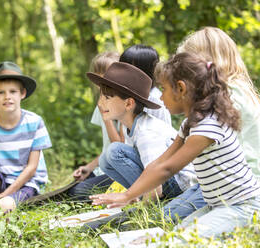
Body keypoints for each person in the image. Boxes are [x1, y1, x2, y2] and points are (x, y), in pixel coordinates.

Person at [91, 52, 260, 239]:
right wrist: (130, 195)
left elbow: (167, 168)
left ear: (181, 89)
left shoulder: (207, 127)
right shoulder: (189, 124)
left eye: (163, 89)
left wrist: (127, 195)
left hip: (243, 206)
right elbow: (159, 163)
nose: (161, 98)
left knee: (182, 239)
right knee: (172, 232)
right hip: (216, 203)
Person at [163, 26, 260, 223]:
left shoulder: (230, 95)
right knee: (168, 214)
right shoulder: (234, 88)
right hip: (221, 181)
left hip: (240, 185)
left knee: (169, 216)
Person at [88, 61, 195, 203]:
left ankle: (154, 202)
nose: (100, 104)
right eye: (101, 97)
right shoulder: (130, 126)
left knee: (115, 151)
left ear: (129, 104)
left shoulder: (146, 133)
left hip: (180, 185)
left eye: (107, 98)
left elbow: (157, 184)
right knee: (104, 160)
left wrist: (142, 210)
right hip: (164, 180)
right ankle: (140, 197)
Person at [0, 61, 52, 212]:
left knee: (2, 206)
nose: (7, 97)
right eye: (1, 92)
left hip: (28, 183)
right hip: (2, 179)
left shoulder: (35, 122)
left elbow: (31, 168)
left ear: (22, 93)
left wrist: (4, 195)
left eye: (13, 91)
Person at [68, 52, 120, 200]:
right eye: (99, 81)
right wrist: (89, 167)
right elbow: (108, 148)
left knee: (78, 193)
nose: (103, 86)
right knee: (75, 185)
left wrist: (107, 117)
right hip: (106, 166)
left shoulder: (123, 104)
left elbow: (118, 147)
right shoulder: (102, 103)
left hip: (121, 170)